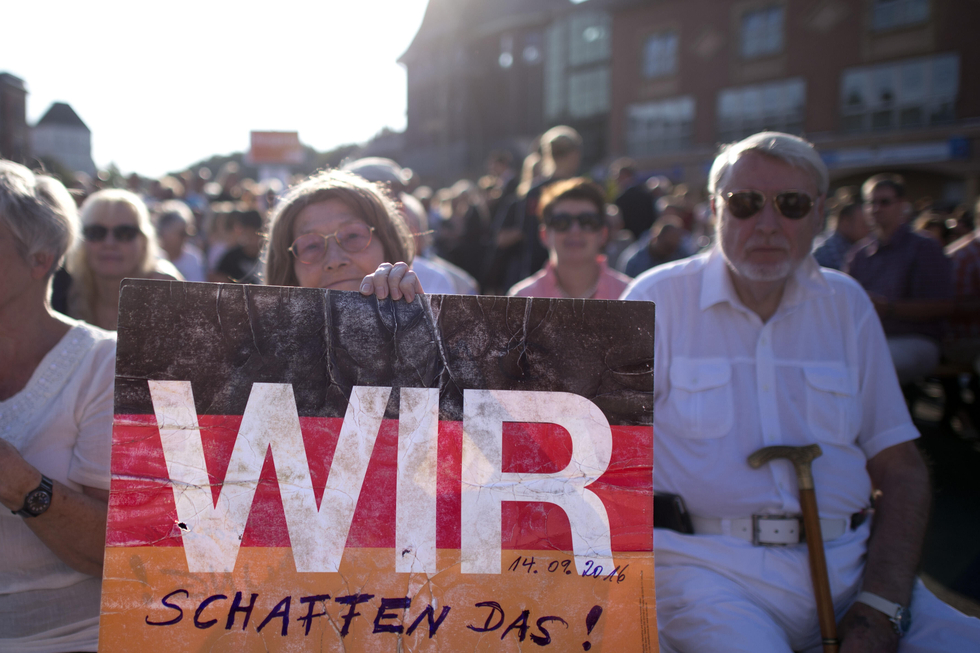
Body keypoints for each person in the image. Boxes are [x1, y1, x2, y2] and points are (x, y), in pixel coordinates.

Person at [622, 132, 980, 652]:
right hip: (706, 576)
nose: (767, 224)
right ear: (714, 211)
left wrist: (879, 609)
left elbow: (901, 470)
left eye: (790, 204)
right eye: (744, 203)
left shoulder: (846, 303)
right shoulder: (656, 298)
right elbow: (597, 458)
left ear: (818, 216)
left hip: (852, 572)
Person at [0, 160, 116, 652]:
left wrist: (16, 481)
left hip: (74, 639)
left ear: (40, 259)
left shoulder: (102, 363)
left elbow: (115, 554)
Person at [845, 174, 954, 385]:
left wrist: (888, 308)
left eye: (884, 202)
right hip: (868, 341)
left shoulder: (924, 247)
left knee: (871, 367)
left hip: (916, 339)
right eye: (870, 202)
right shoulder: (859, 254)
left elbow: (944, 305)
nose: (876, 208)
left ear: (902, 205)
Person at [264, 168, 420, 302]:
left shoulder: (430, 327)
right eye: (311, 245)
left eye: (352, 236)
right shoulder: (258, 337)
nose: (335, 261)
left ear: (388, 245)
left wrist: (422, 325)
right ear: (289, 272)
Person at [65, 189, 180, 330]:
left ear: (144, 242)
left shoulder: (165, 290)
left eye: (124, 233)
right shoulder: (64, 290)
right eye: (96, 232)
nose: (109, 243)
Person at [507, 178, 631, 299]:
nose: (575, 231)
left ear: (603, 234)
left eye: (587, 221)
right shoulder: (521, 299)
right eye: (561, 222)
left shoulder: (632, 296)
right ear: (544, 235)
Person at [812, 196, 871, 270]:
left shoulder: (860, 250)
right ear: (845, 222)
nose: (869, 230)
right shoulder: (827, 253)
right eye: (864, 224)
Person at [155, 200, 206, 282]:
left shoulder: (193, 258)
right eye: (182, 233)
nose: (186, 237)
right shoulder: (152, 257)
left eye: (188, 233)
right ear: (164, 232)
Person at [211, 207, 264, 284]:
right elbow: (219, 283)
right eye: (249, 232)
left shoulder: (270, 257)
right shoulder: (231, 258)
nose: (252, 237)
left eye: (257, 232)